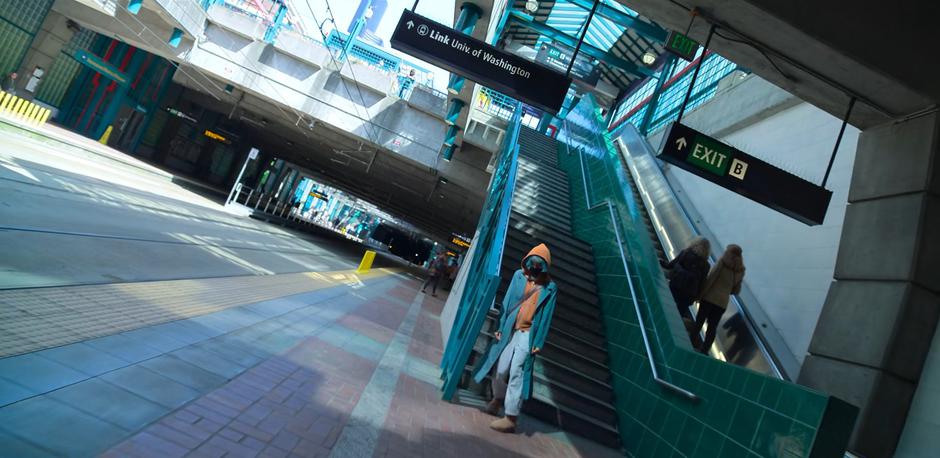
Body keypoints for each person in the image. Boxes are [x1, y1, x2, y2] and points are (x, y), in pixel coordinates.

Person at [473, 244, 558, 433]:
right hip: (512, 329)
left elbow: (546, 316)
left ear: (544, 266)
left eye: (538, 264)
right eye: (532, 263)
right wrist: (500, 326)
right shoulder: (519, 275)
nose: (534, 267)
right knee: (501, 368)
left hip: (529, 335)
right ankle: (497, 399)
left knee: (517, 370)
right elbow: (508, 301)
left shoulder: (550, 288)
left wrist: (539, 341)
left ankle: (511, 416)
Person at [693, 244, 746, 354]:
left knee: (700, 320)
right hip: (722, 303)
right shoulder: (740, 270)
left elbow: (711, 278)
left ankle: (692, 339)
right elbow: (736, 291)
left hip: (709, 297)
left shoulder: (722, 262)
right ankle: (705, 349)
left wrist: (700, 294)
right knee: (712, 326)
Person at [661, 237, 711, 324]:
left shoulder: (686, 253)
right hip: (689, 294)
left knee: (668, 305)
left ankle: (662, 320)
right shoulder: (706, 265)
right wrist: (698, 296)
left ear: (695, 243)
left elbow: (673, 263)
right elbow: (702, 283)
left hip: (677, 285)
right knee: (679, 313)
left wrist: (664, 264)